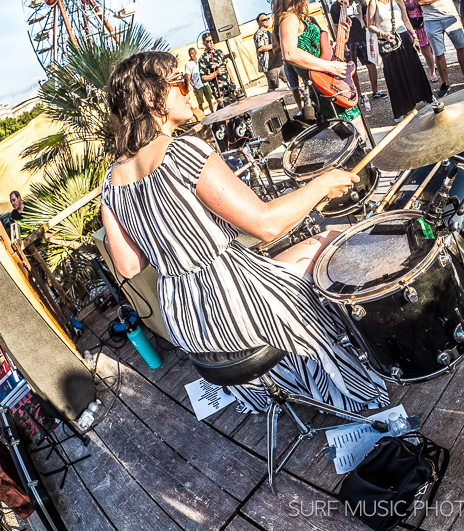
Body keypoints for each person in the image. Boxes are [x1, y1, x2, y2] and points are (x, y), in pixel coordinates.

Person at [100, 50, 389, 414]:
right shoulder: (182, 152)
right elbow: (266, 225)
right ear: (149, 96)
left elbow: (128, 266)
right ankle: (353, 385)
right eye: (180, 82)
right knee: (329, 244)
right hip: (232, 300)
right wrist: (320, 185)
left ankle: (280, 391)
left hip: (186, 322)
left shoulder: (111, 181)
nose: (190, 89)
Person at [275, 0, 361, 123]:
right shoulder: (289, 18)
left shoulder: (299, 18)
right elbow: (289, 53)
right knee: (349, 129)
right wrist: (329, 66)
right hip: (323, 83)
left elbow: (323, 50)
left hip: (329, 81)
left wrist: (344, 36)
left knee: (354, 131)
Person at [367, 0, 433, 121]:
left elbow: (405, 19)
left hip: (402, 37)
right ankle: (402, 109)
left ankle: (426, 98)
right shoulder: (373, 3)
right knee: (394, 75)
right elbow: (370, 25)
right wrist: (382, 34)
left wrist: (415, 37)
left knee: (414, 69)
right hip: (386, 41)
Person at [330, 0, 384, 101]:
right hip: (348, 41)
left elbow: (366, 16)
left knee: (371, 64)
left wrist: (371, 33)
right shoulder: (335, 6)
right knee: (352, 70)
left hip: (362, 36)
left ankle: (375, 91)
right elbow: (336, 26)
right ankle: (358, 95)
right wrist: (341, 42)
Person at [393, 0, 436, 79]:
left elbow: (422, 4)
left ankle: (432, 72)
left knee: (426, 51)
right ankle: (419, 74)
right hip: (409, 27)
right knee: (413, 51)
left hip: (421, 23)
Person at [199, 33, 236, 103]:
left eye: (211, 40)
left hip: (230, 88)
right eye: (208, 41)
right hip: (220, 93)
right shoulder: (203, 59)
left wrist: (233, 81)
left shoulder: (219, 52)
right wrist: (216, 73)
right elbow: (203, 79)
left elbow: (227, 67)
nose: (210, 43)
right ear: (204, 43)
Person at [253, 13, 284, 92]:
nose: (267, 20)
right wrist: (275, 45)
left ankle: (300, 96)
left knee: (290, 81)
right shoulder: (259, 34)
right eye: (264, 20)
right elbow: (260, 48)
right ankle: (271, 100)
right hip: (271, 65)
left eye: (268, 18)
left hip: (280, 62)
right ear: (259, 23)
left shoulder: (269, 32)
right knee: (272, 87)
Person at [185, 47, 215, 113]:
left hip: (205, 83)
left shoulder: (200, 60)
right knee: (200, 102)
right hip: (197, 85)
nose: (191, 55)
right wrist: (193, 86)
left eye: (192, 53)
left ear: (195, 52)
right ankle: (203, 116)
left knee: (209, 100)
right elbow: (188, 76)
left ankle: (213, 113)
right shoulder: (188, 64)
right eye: (190, 54)